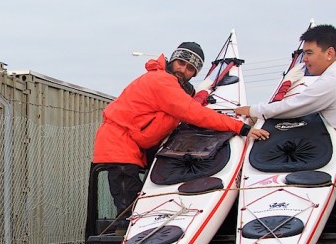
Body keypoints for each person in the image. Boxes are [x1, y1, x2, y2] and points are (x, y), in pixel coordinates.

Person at [92, 41, 268, 227]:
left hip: (136, 145)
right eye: (181, 63)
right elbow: (194, 113)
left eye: (190, 68)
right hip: (119, 146)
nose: (183, 70)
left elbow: (187, 105)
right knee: (129, 211)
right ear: (173, 60)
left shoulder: (176, 87)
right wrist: (241, 128)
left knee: (146, 201)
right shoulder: (161, 81)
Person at [235, 24, 336, 140]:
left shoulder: (331, 80)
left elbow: (293, 107)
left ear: (329, 53)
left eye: (309, 53)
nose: (304, 59)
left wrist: (252, 110)